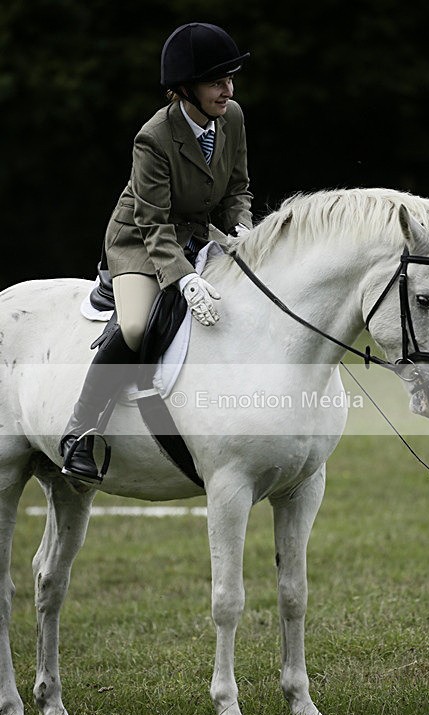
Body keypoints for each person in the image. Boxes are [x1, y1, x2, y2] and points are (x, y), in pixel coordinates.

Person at [60, 22, 253, 483]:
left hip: (198, 233)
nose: (227, 90)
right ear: (185, 89)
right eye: (215, 82)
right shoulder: (154, 137)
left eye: (230, 79)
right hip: (140, 242)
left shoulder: (233, 117)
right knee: (133, 325)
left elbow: (237, 189)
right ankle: (79, 432)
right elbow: (151, 220)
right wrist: (183, 277)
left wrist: (242, 228)